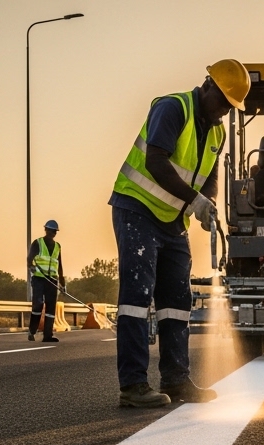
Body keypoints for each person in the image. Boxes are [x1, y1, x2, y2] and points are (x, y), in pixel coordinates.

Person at [108, 59, 250, 407]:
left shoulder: (216, 132)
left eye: (231, 110)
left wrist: (207, 204)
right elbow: (156, 161)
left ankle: (177, 379)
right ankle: (133, 386)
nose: (223, 114)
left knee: (177, 302)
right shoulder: (173, 108)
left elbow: (211, 179)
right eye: (222, 104)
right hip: (137, 208)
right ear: (208, 87)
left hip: (173, 220)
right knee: (137, 298)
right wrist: (193, 201)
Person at [26, 219, 66, 343]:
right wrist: (31, 267)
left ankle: (48, 335)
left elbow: (59, 266)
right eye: (50, 230)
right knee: (38, 304)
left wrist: (63, 284)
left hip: (53, 280)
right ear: (46, 230)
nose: (52, 233)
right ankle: (32, 331)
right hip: (39, 278)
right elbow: (29, 259)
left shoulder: (57, 246)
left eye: (54, 231)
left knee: (51, 308)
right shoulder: (37, 243)